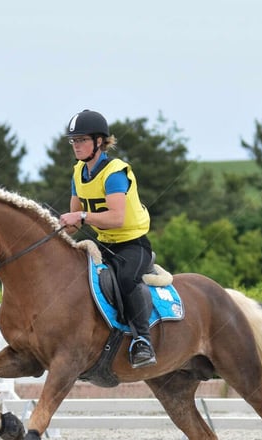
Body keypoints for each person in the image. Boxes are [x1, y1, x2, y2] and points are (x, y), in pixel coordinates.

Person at [58, 109, 157, 369]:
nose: (76, 146)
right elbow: (75, 223)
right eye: (73, 141)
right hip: (105, 244)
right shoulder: (78, 172)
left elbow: (117, 218)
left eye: (81, 140)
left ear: (99, 142)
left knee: (125, 278)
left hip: (132, 244)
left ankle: (142, 341)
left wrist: (79, 215)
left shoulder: (114, 172)